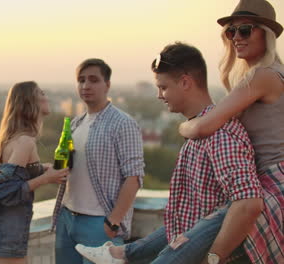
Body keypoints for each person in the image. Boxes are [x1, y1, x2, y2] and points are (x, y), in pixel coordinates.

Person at [75, 43, 264, 264]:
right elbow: (190, 215)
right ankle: (121, 254)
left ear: (185, 82)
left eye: (163, 87)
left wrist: (214, 258)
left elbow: (248, 204)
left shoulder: (219, 134)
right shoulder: (199, 130)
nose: (159, 96)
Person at [178, 0, 284, 262]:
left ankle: (123, 253)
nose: (236, 37)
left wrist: (183, 125)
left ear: (266, 34)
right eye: (231, 31)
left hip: (270, 184)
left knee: (190, 239)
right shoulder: (272, 75)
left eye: (245, 30)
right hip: (268, 184)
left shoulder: (263, 76)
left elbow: (203, 126)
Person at [52, 58, 145, 264]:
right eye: (81, 80)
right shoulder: (75, 123)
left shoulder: (123, 123)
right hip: (67, 218)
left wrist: (113, 221)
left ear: (107, 85)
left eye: (93, 80)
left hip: (100, 223)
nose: (86, 86)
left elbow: (134, 176)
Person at [0, 81, 69, 264]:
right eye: (41, 93)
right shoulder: (25, 141)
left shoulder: (18, 138)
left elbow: (16, 174)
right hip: (6, 232)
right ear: (29, 102)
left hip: (7, 230)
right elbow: (3, 191)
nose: (46, 96)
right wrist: (45, 178)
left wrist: (42, 168)